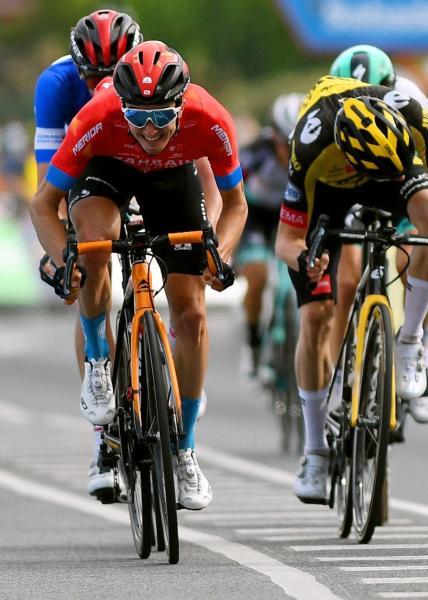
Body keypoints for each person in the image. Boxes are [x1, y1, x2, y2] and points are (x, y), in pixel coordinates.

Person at [29, 41, 248, 510]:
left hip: (173, 180)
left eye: (161, 118)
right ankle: (97, 361)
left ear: (181, 104)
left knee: (191, 314)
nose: (149, 130)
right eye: (137, 117)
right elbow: (44, 204)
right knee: (94, 244)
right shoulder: (98, 116)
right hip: (108, 170)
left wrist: (220, 254)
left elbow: (236, 205)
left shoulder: (209, 116)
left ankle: (185, 447)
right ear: (120, 104)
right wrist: (61, 257)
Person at [275, 75, 428, 503]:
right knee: (315, 317)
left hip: (394, 168)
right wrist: (306, 261)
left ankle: (411, 340)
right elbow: (285, 242)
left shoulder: (414, 114)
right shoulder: (310, 144)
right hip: (330, 190)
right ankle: (314, 451)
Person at [329, 44, 428, 424]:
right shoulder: (323, 111)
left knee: (413, 253)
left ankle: (414, 341)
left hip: (406, 173)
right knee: (345, 281)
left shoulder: (414, 106)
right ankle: (342, 374)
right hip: (351, 183)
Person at [33, 9, 142, 503]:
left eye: (111, 75)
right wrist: (62, 258)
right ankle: (105, 438)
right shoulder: (56, 86)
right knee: (92, 263)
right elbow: (47, 193)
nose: (102, 85)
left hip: (144, 158)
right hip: (85, 166)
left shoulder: (156, 72)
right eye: (92, 76)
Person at [234, 93, 305, 377]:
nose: (291, 152)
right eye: (285, 144)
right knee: (258, 274)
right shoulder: (255, 153)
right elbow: (230, 191)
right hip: (257, 217)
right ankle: (253, 342)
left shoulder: (310, 152)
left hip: (295, 213)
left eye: (296, 144)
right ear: (273, 135)